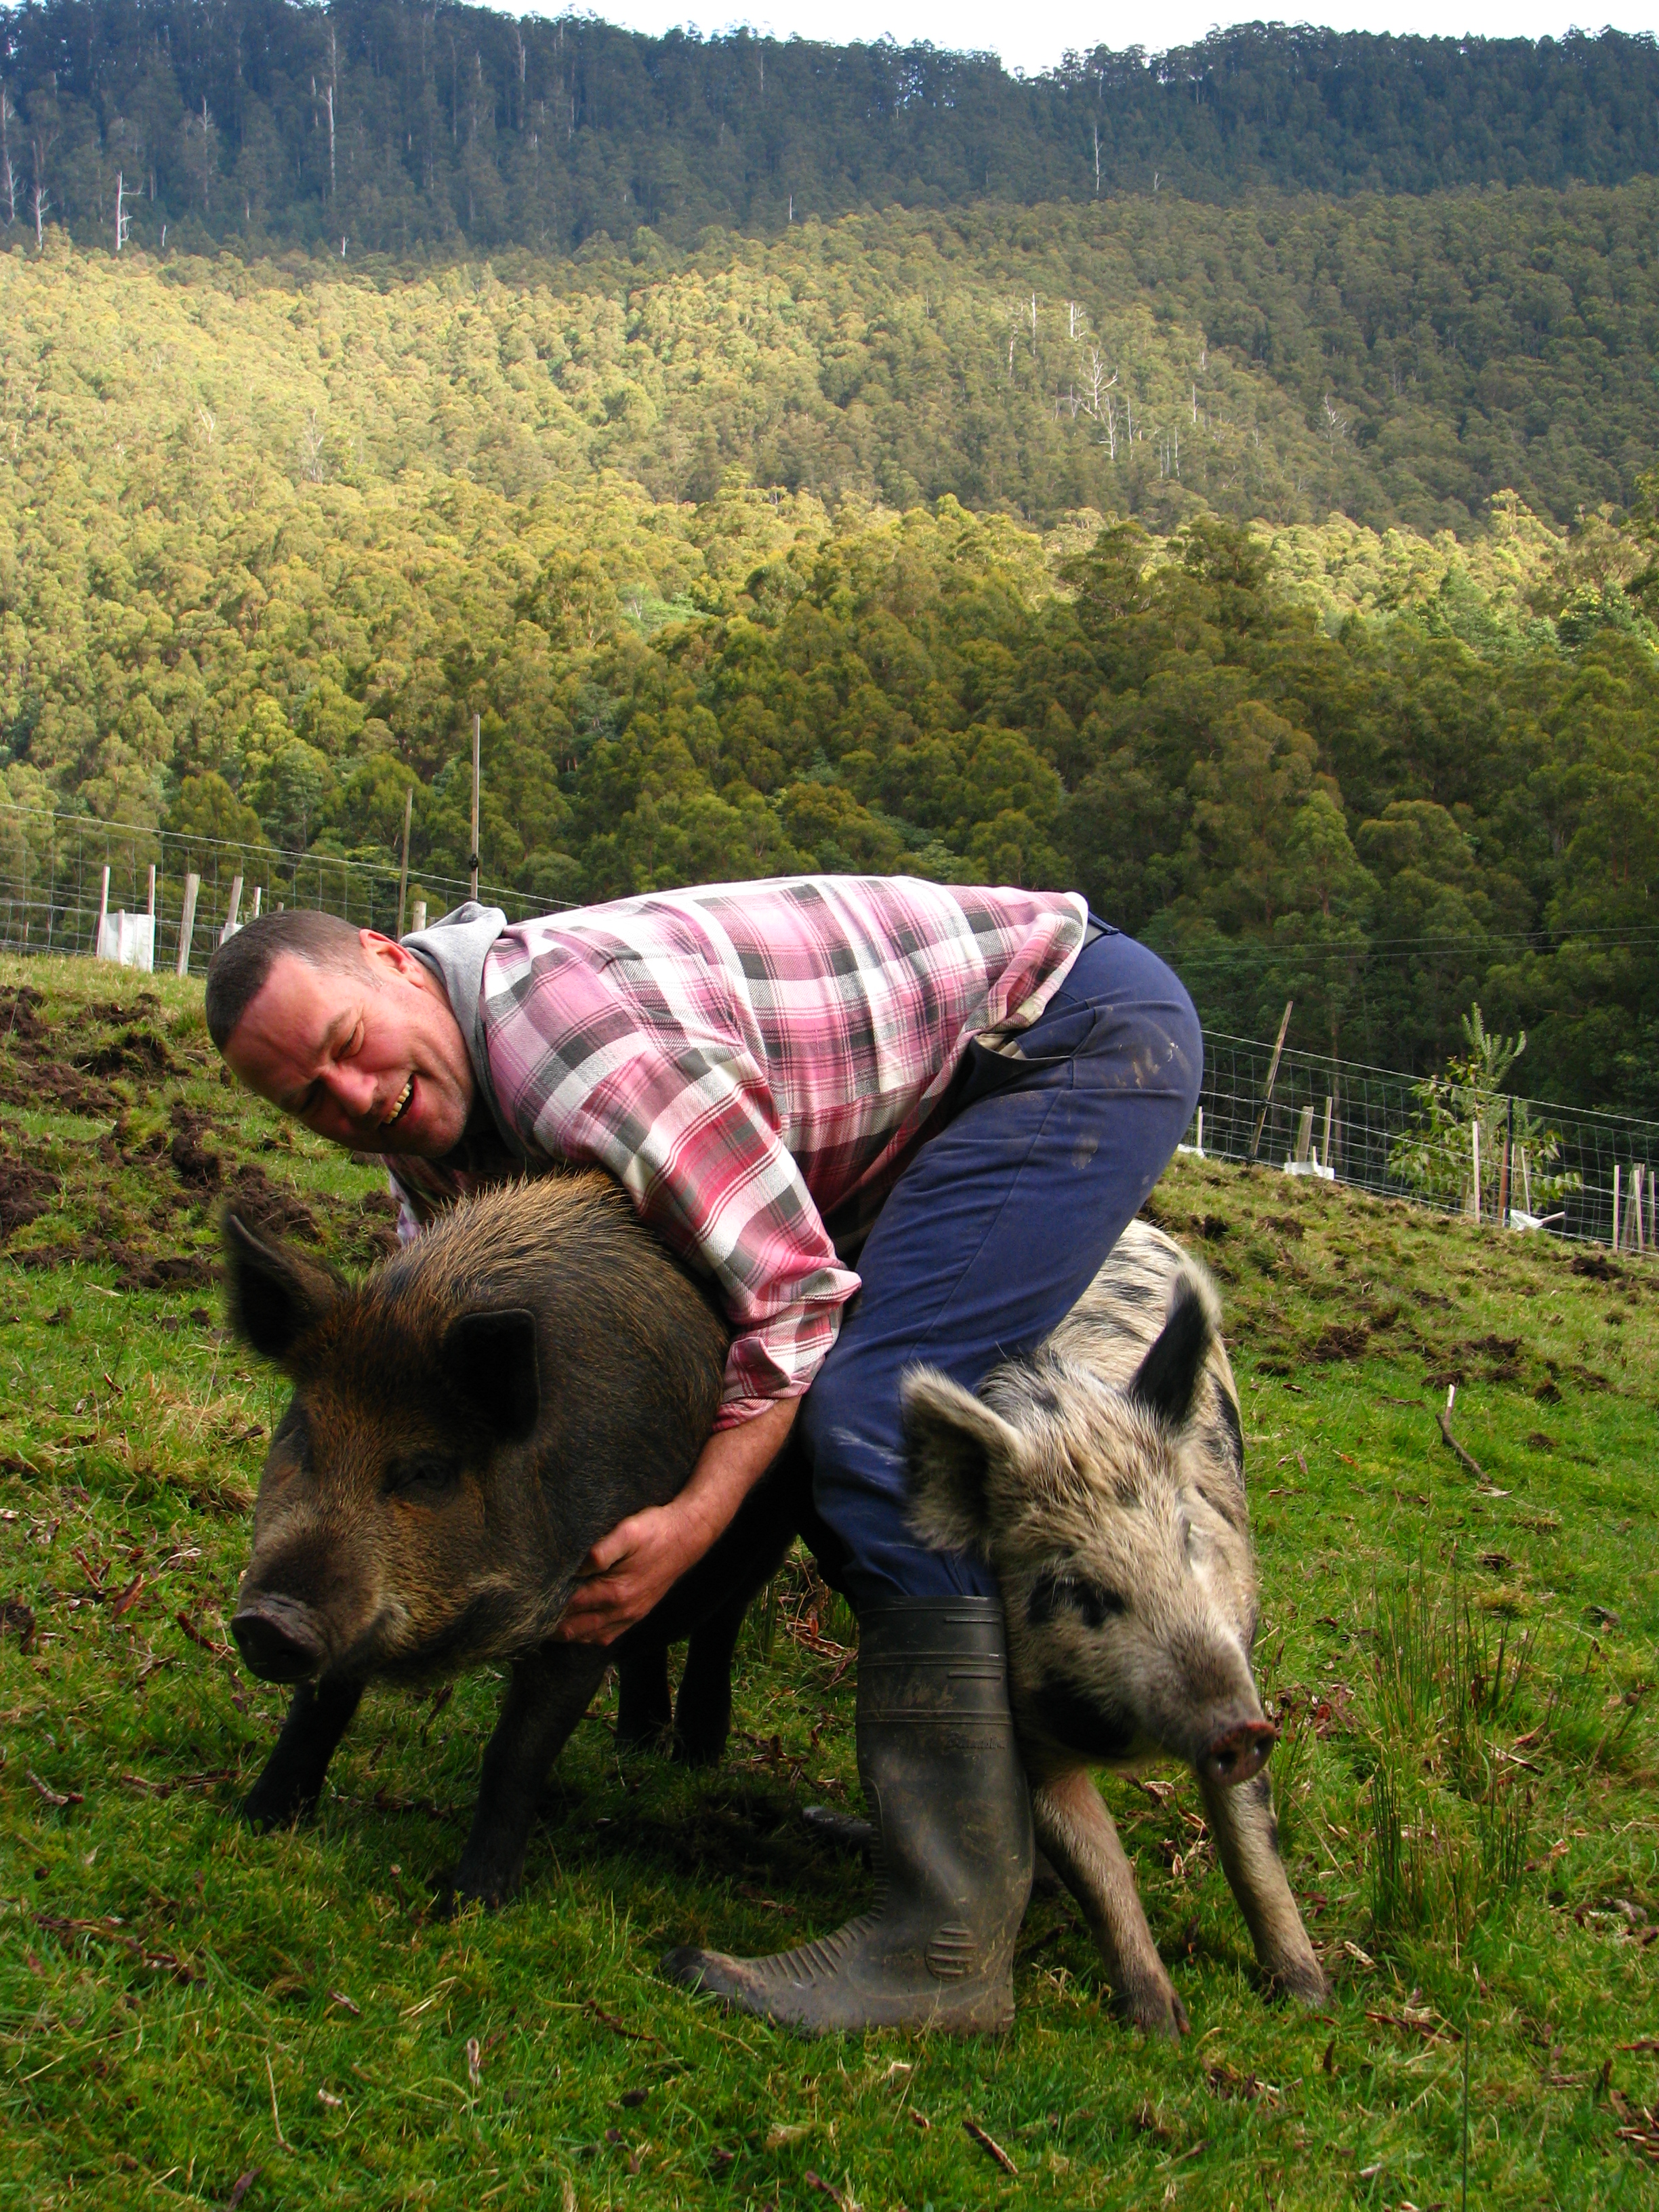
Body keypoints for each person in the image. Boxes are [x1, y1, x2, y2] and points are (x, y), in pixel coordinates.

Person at [207, 876, 1202, 2033]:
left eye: (346, 1046)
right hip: (921, 1104)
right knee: (833, 1457)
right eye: (307, 1098)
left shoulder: (576, 1048)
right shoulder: (431, 1106)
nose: (352, 1096)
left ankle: (949, 1949)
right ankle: (988, 1830)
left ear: (389, 958)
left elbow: (790, 1297)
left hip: (1062, 1037)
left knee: (875, 1420)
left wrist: (689, 1525)